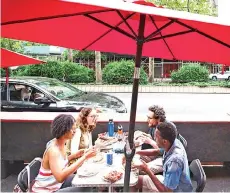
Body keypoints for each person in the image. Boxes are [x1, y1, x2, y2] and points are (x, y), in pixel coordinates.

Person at [32, 114, 96, 192]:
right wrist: (84, 157)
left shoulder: (61, 143)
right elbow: (60, 177)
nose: (74, 131)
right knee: (85, 188)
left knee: (87, 181)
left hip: (57, 185)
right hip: (47, 190)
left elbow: (59, 162)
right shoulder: (53, 150)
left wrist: (74, 155)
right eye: (72, 129)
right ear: (64, 130)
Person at [133, 122, 193, 192]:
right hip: (167, 181)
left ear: (164, 141)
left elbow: (166, 191)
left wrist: (146, 169)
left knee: (135, 183)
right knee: (137, 181)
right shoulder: (173, 142)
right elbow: (157, 151)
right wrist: (136, 152)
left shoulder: (174, 162)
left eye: (156, 137)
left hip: (174, 190)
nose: (154, 138)